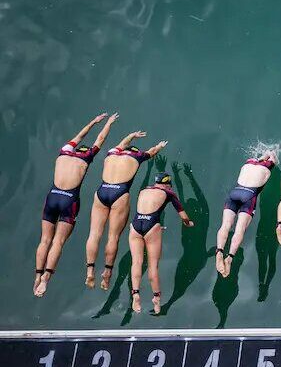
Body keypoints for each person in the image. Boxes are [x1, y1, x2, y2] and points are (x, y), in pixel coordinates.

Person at [34, 112, 119, 297]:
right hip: (69, 200)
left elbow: (80, 136)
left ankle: (37, 276)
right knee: (58, 241)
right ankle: (46, 279)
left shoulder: (64, 152)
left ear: (74, 149)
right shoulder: (86, 157)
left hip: (52, 197)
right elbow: (100, 140)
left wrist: (93, 121)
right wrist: (109, 123)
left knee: (45, 240)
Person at [84, 130, 166, 290]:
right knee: (113, 237)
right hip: (119, 193)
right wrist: (160, 146)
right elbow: (152, 152)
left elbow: (121, 144)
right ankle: (107, 274)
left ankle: (90, 272)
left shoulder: (112, 153)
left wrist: (131, 136)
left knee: (94, 234)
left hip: (102, 191)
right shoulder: (137, 156)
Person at [128, 172, 194, 314]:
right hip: (152, 227)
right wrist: (188, 223)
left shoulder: (144, 190)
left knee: (136, 262)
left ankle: (135, 294)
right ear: (167, 184)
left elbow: (145, 211)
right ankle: (156, 299)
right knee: (153, 266)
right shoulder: (169, 193)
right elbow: (184, 216)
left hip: (135, 226)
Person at [214, 143, 279, 278]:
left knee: (225, 226)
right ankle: (229, 258)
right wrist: (272, 152)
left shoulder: (248, 163)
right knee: (240, 229)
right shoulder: (268, 166)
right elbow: (273, 158)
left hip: (235, 193)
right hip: (249, 195)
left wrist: (263, 156)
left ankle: (219, 251)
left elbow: (259, 159)